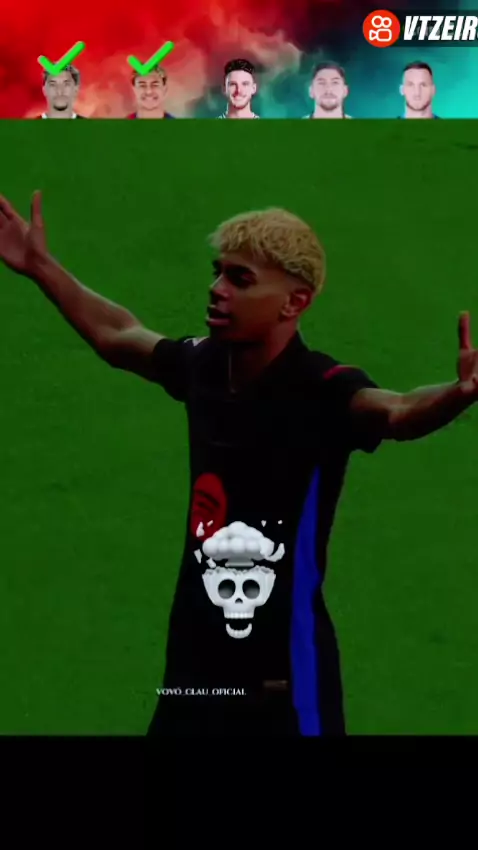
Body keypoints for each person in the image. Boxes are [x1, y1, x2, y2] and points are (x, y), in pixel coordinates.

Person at [0, 194, 477, 736]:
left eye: (240, 279)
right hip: (194, 659)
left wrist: (457, 393)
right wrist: (40, 267)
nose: (217, 288)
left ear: (294, 302)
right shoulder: (204, 365)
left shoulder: (322, 389)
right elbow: (118, 335)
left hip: (284, 675)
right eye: (218, 272)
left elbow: (398, 411)